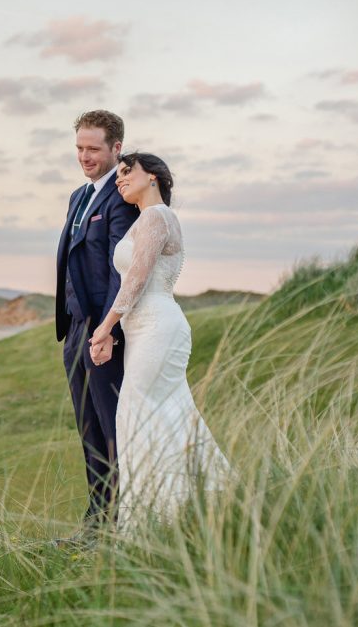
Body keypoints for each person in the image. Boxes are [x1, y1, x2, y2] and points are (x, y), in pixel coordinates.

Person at [89, 152, 233, 530]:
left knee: (137, 417)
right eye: (117, 174)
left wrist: (104, 329)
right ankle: (190, 512)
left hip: (157, 325)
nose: (119, 179)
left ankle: (150, 523)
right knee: (166, 417)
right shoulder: (146, 219)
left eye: (126, 172)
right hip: (144, 329)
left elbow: (136, 278)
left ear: (152, 176)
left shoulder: (156, 216)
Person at [55, 110, 139, 543]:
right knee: (88, 431)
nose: (84, 157)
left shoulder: (120, 199)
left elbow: (119, 271)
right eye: (79, 148)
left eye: (93, 148)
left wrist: (105, 331)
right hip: (74, 330)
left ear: (116, 148)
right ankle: (96, 526)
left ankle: (122, 526)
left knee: (112, 431)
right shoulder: (77, 196)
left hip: (104, 334)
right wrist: (73, 328)